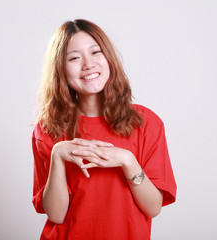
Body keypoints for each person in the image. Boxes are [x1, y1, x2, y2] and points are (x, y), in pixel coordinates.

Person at [32, 19, 177, 240]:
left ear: (108, 57)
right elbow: (56, 214)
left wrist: (128, 161)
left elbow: (153, 208)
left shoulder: (146, 122)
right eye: (74, 58)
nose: (88, 64)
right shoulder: (48, 129)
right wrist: (58, 154)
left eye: (95, 52)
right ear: (60, 69)